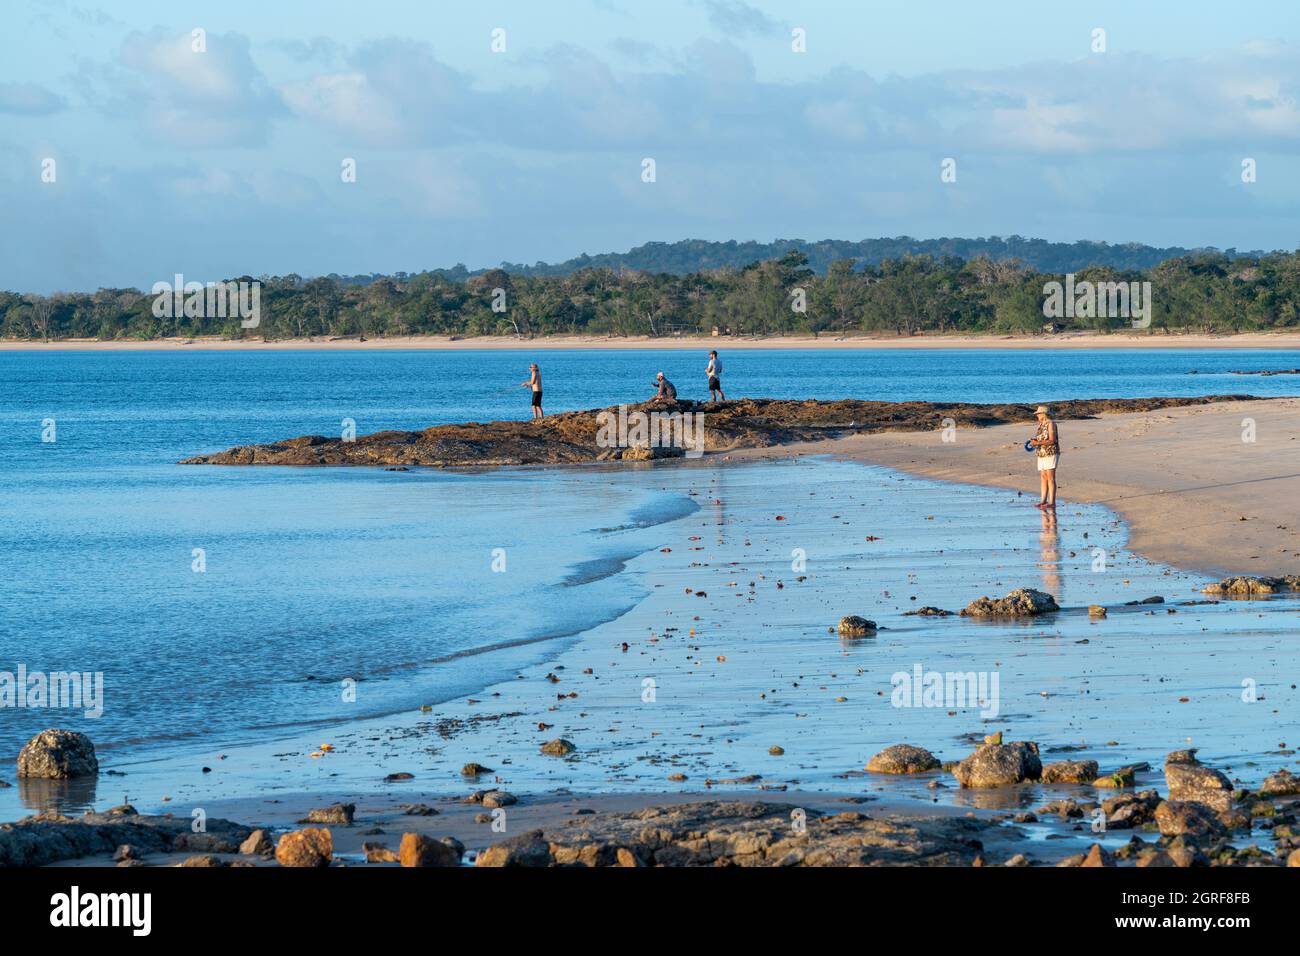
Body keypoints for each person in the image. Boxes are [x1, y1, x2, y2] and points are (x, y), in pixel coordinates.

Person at [1029, 404, 1059, 509]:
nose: (1037, 416)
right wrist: (1034, 442)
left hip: (1050, 453)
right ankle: (1043, 501)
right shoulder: (1041, 424)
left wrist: (1037, 443)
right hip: (1041, 453)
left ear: (1043, 414)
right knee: (1043, 477)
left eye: (1038, 414)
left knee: (1050, 478)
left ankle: (1052, 502)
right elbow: (1042, 439)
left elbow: (1052, 440)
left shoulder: (1051, 424)